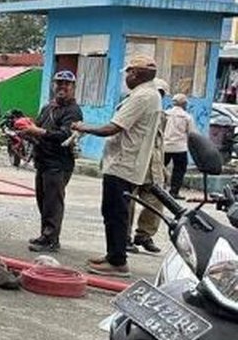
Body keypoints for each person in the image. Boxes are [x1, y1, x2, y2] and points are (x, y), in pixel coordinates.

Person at [73, 55, 164, 276]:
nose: (126, 77)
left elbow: (113, 128)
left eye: (128, 73)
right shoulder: (148, 95)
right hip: (125, 163)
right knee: (114, 211)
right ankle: (113, 254)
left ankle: (117, 261)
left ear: (136, 74)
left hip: (124, 164)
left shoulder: (142, 96)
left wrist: (83, 127)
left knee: (116, 212)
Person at [19, 71, 83, 253]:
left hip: (59, 163)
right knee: (43, 200)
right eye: (59, 83)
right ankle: (46, 235)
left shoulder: (73, 111)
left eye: (66, 84)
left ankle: (51, 239)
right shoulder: (48, 108)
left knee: (53, 202)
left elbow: (65, 134)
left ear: (72, 88)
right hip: (43, 161)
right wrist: (26, 133)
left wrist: (38, 132)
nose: (62, 87)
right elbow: (37, 128)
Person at [128, 79, 171, 254]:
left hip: (153, 166)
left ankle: (144, 235)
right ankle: (124, 237)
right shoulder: (135, 107)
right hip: (134, 163)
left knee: (156, 201)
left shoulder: (163, 116)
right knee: (127, 202)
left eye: (161, 94)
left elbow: (160, 144)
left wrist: (163, 169)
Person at [163, 93, 195, 198]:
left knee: (160, 168)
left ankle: (158, 189)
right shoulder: (187, 117)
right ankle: (174, 191)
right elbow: (191, 133)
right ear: (184, 104)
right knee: (179, 170)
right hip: (180, 147)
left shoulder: (165, 114)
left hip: (165, 146)